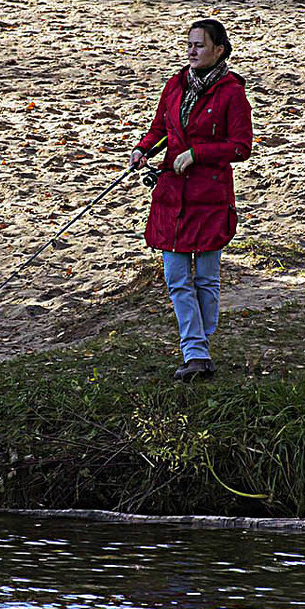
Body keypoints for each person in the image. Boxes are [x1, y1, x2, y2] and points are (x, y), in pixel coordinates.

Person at [130, 19, 253, 382]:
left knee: (207, 279)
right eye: (189, 44)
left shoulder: (232, 93)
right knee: (176, 276)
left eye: (200, 45)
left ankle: (199, 345)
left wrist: (198, 153)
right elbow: (159, 129)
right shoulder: (175, 85)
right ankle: (196, 352)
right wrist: (142, 150)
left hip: (210, 196)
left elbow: (241, 147)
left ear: (219, 49)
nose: (192, 51)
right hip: (171, 194)